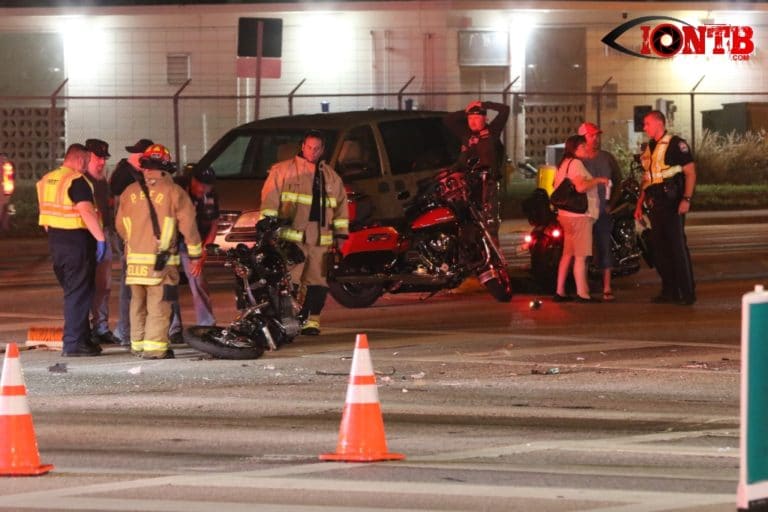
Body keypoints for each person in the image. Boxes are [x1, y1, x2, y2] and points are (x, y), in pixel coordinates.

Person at [115, 144, 202, 359]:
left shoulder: (130, 192)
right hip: (161, 264)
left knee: (137, 303)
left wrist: (135, 243)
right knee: (160, 304)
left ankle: (137, 344)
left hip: (134, 262)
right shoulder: (174, 192)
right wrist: (195, 255)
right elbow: (189, 227)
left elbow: (120, 225)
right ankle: (154, 349)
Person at [259, 130, 348, 336]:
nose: (312, 152)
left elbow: (341, 208)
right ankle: (286, 319)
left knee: (318, 280)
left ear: (322, 149)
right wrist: (268, 228)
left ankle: (312, 321)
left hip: (321, 238)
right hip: (292, 237)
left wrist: (341, 235)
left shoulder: (331, 176)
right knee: (290, 279)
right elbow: (269, 201)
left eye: (317, 148)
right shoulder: (282, 171)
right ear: (302, 146)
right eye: (309, 147)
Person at [37, 143, 107, 357]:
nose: (86, 167)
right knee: (77, 295)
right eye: (86, 162)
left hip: (57, 242)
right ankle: (73, 344)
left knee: (76, 293)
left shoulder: (47, 180)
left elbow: (46, 217)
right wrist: (100, 238)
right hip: (77, 242)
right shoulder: (76, 180)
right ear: (78, 159)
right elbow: (85, 210)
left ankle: (83, 340)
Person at [634, 110, 696, 305]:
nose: (644, 127)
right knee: (660, 250)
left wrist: (686, 199)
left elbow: (690, 173)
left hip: (673, 204)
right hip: (656, 204)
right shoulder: (650, 147)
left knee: (677, 248)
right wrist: (639, 205)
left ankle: (686, 293)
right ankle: (669, 291)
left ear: (659, 123)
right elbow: (647, 179)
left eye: (647, 123)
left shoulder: (676, 144)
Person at [552, 134, 609, 303]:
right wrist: (598, 180)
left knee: (568, 254)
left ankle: (560, 291)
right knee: (581, 256)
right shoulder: (576, 163)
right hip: (579, 216)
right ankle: (582, 294)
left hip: (565, 215)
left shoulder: (564, 163)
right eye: (583, 146)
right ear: (575, 149)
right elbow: (581, 187)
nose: (586, 148)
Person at [109, 138, 155, 345]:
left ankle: (130, 331)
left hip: (137, 237)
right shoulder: (125, 174)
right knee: (132, 287)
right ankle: (126, 331)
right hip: (132, 239)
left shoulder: (131, 173)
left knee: (138, 288)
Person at [444, 100, 510, 238]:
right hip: (468, 184)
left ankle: (493, 249)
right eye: (470, 118)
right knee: (467, 220)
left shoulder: (492, 132)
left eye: (476, 118)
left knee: (489, 221)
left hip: (487, 183)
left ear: (484, 119)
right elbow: (448, 120)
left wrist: (485, 105)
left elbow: (505, 110)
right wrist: (465, 111)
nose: (472, 122)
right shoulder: (466, 134)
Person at [168, 165, 219, 343]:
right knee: (170, 284)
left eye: (208, 186)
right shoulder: (177, 191)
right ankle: (173, 328)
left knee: (198, 281)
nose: (204, 189)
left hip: (195, 245)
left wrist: (203, 253)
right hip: (173, 243)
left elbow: (214, 224)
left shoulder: (210, 195)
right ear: (193, 181)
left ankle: (206, 325)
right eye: (201, 185)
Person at [83, 138, 123, 345]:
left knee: (104, 286)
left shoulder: (100, 180)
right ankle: (84, 328)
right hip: (85, 237)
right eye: (99, 158)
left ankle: (100, 327)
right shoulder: (79, 179)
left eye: (103, 159)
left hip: (104, 235)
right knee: (84, 285)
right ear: (87, 156)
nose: (102, 163)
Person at [578, 122, 622, 302]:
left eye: (597, 135)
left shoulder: (607, 158)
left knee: (604, 246)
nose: (596, 139)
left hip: (603, 210)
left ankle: (607, 286)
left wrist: (611, 203)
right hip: (584, 212)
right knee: (584, 250)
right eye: (591, 135)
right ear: (582, 138)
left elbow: (618, 181)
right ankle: (583, 286)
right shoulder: (577, 160)